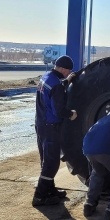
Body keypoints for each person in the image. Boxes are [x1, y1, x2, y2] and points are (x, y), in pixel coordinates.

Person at [32, 55, 78, 206]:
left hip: (41, 124)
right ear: (63, 68)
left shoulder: (46, 77)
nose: (68, 73)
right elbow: (59, 111)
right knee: (51, 163)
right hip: (51, 127)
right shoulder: (57, 85)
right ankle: (39, 196)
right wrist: (71, 114)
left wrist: (66, 81)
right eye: (68, 71)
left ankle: (50, 190)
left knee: (46, 160)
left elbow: (52, 90)